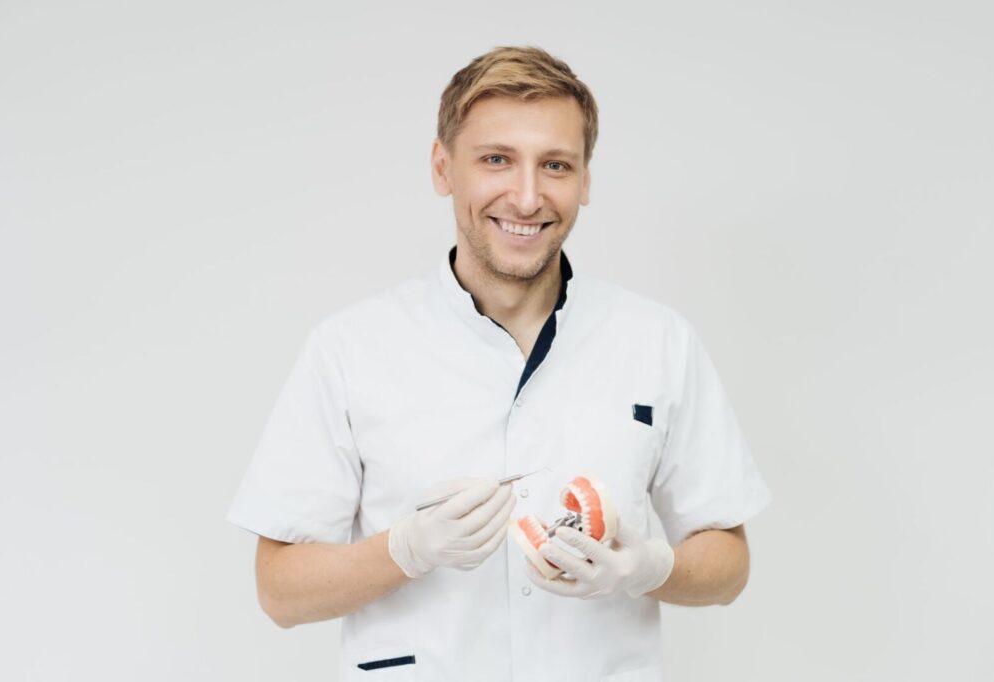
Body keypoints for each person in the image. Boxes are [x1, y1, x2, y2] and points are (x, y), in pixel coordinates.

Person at [226, 45, 772, 681]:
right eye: (496, 160)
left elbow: (729, 566)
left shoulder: (658, 342)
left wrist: (648, 566)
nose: (527, 196)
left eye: (557, 165)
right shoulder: (350, 349)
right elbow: (280, 592)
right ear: (442, 166)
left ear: (586, 180)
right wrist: (404, 549)